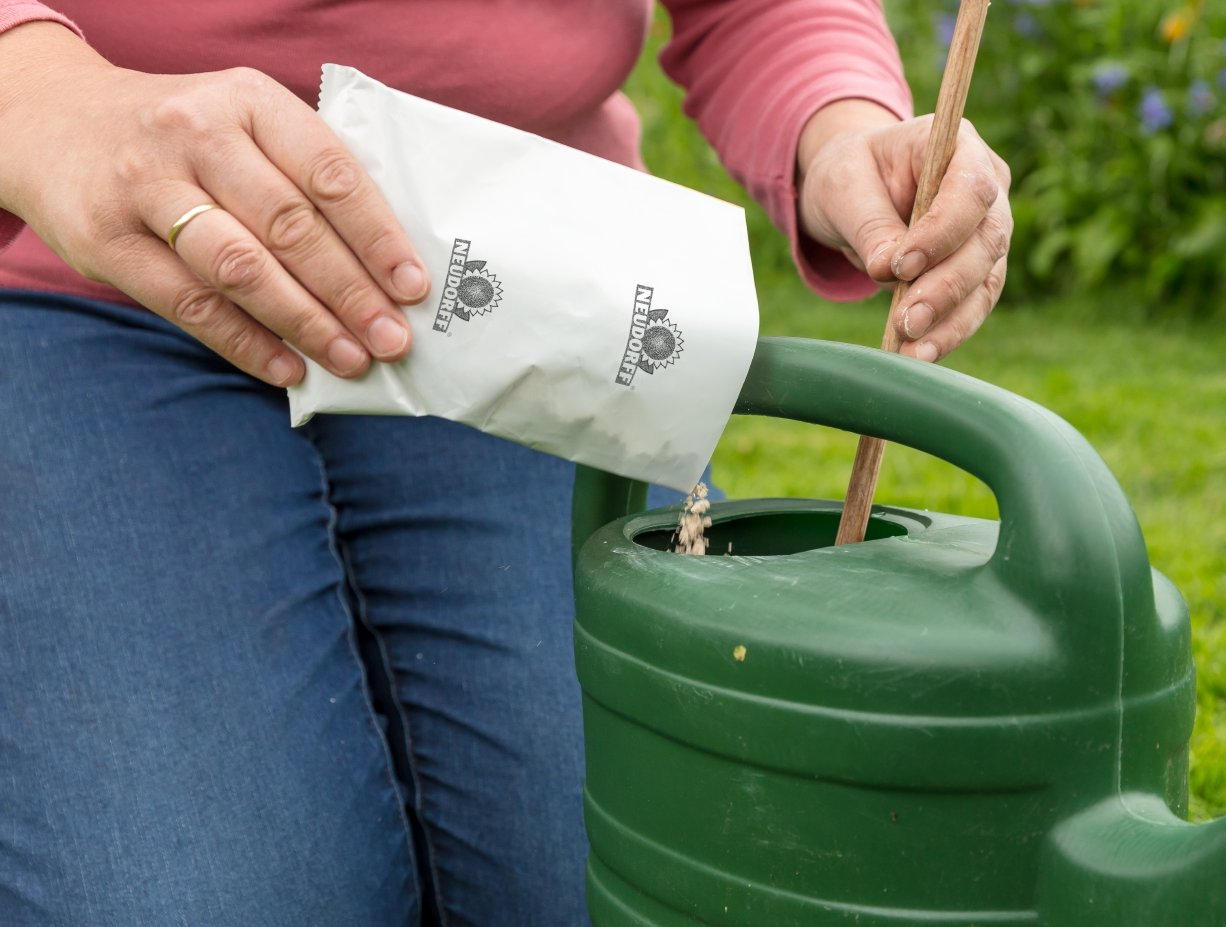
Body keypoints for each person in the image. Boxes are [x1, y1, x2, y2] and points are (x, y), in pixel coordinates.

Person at [0, 1, 1012, 924]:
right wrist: (44, 100)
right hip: (69, 277)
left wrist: (838, 126)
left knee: (614, 873)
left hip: (525, 277)